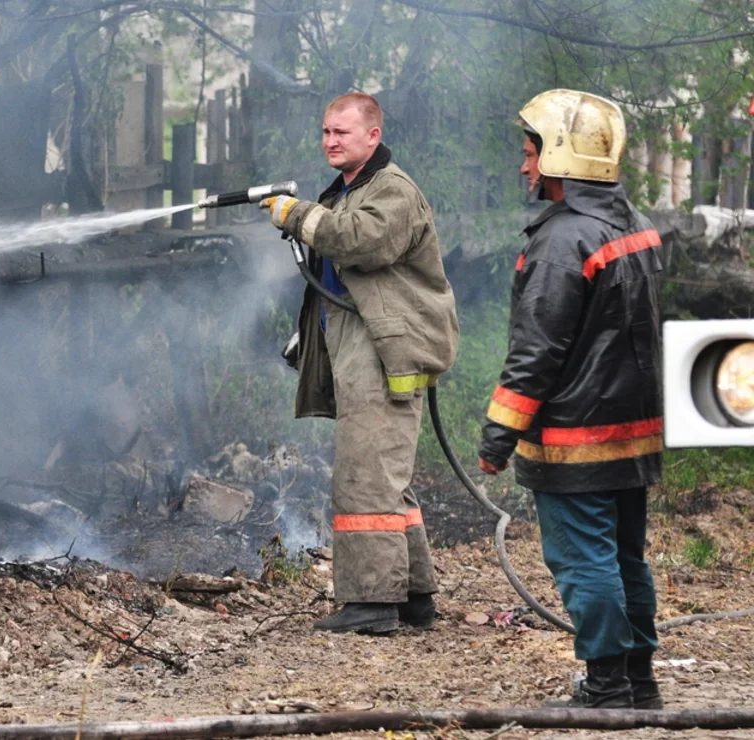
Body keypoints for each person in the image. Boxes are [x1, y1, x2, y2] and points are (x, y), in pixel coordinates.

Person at [477, 89, 664, 709]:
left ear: (559, 156)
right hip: (632, 435)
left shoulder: (563, 242)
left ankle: (607, 686)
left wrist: (498, 437)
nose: (523, 166)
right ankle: (640, 681)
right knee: (625, 558)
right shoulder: (631, 224)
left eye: (530, 152)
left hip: (576, 441)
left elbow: (537, 352)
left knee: (584, 563)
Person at [261, 92, 460, 635]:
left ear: (372, 136)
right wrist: (308, 339)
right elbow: (343, 286)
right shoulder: (350, 190)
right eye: (325, 132)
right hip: (363, 345)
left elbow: (361, 243)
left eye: (341, 133)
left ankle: (372, 601)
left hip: (385, 354)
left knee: (364, 477)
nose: (330, 141)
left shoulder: (392, 192)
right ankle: (413, 594)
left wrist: (298, 215)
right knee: (388, 480)